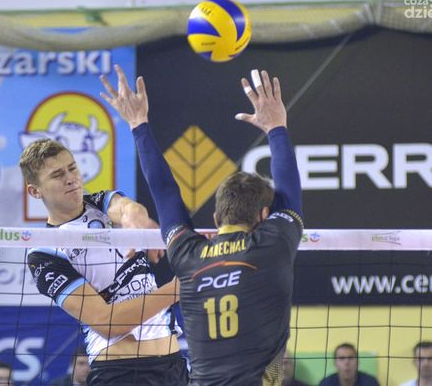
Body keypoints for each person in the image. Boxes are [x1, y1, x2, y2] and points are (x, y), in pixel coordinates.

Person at [100, 65, 303, 385]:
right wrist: (276, 126)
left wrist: (138, 124)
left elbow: (164, 192)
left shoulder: (188, 256)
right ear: (265, 216)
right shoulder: (272, 246)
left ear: (216, 220)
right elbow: (289, 191)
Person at [20, 138, 187, 384]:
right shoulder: (44, 252)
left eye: (72, 168)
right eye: (57, 175)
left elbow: (127, 208)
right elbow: (107, 322)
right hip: (120, 373)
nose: (71, 178)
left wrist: (135, 219)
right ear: (35, 191)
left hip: (173, 365)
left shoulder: (101, 203)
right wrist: (179, 288)